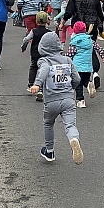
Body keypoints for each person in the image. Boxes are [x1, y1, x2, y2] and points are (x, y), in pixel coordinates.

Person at [29, 32, 84, 165]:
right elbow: (77, 78)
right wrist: (71, 87)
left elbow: (44, 69)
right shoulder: (67, 60)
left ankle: (49, 150)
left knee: (48, 123)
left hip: (52, 100)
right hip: (68, 100)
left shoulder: (44, 61)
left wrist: (37, 84)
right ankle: (73, 140)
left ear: (42, 47)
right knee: (70, 125)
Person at [67, 21, 104, 108]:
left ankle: (81, 100)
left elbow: (70, 54)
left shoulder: (74, 41)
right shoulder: (90, 40)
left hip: (77, 67)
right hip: (88, 66)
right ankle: (89, 85)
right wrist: (103, 56)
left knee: (78, 83)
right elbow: (98, 48)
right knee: (85, 79)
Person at [22, 12, 52, 101]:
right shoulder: (49, 33)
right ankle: (41, 88)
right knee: (44, 69)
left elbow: (26, 39)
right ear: (47, 21)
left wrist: (23, 47)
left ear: (36, 21)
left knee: (33, 67)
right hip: (46, 54)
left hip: (35, 53)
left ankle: (31, 84)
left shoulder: (34, 31)